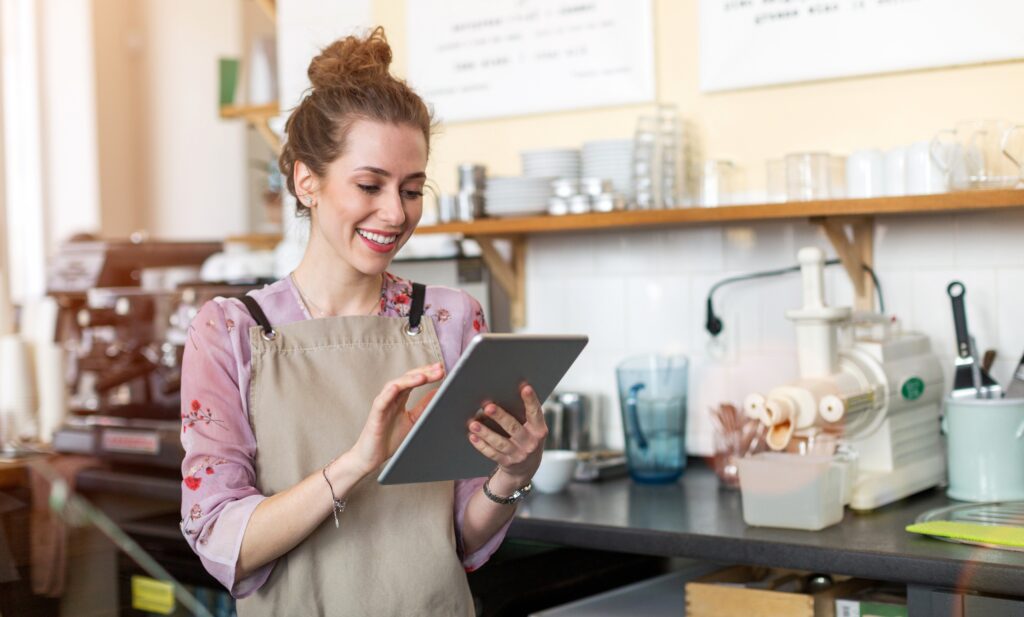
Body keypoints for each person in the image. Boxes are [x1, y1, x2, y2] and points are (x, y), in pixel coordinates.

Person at [179, 27, 546, 616]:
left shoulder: (450, 318)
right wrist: (357, 462)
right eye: (369, 185)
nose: (395, 213)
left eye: (411, 189)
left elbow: (459, 539)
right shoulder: (230, 332)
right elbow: (225, 542)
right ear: (307, 181)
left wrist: (514, 474)